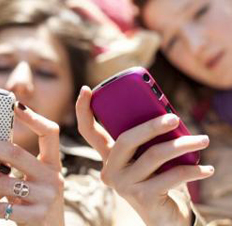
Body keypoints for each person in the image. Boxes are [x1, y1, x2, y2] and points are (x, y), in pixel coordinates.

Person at [0, 1, 119, 225]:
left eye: (45, 72)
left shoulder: (103, 182)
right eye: (0, 67)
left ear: (73, 106)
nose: (19, 82)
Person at [78, 0, 232, 225]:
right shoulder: (194, 143)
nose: (196, 45)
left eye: (200, 12)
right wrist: (177, 221)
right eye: (172, 41)